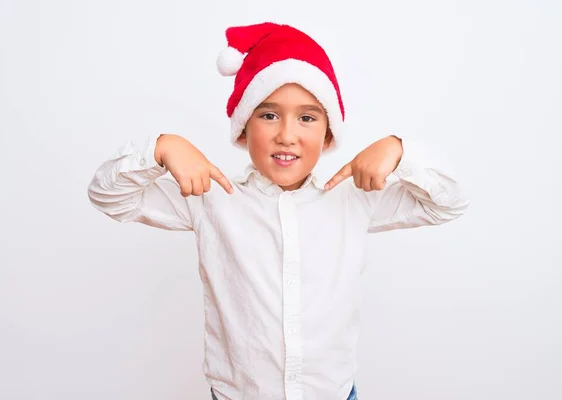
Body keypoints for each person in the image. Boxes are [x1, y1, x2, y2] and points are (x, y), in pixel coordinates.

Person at [87, 22, 470, 400]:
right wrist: (161, 148)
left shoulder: (354, 198)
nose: (287, 134)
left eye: (307, 117)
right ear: (242, 128)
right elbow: (109, 196)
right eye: (268, 115)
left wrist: (399, 151)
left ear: (328, 132)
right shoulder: (212, 196)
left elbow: (449, 203)